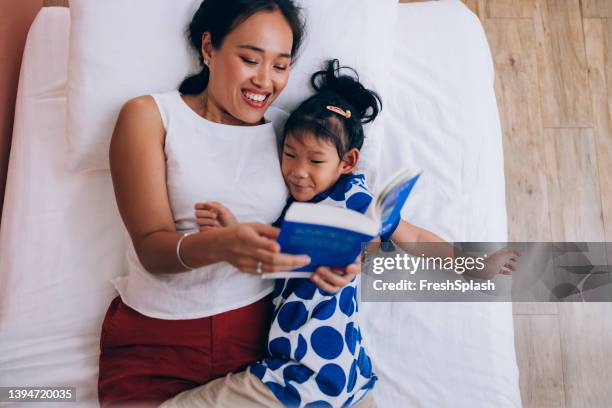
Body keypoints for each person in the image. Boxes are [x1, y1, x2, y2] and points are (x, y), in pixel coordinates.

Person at [161, 60, 520, 408]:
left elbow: (416, 239)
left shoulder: (358, 199)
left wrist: (474, 265)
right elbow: (269, 252)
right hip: (346, 379)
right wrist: (232, 231)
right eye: (290, 154)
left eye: (315, 161)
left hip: (303, 375)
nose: (298, 172)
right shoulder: (289, 207)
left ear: (347, 162)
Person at [98, 1, 360, 406]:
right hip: (157, 345)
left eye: (280, 65)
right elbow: (151, 247)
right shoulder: (150, 116)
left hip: (260, 350)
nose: (265, 81)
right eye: (250, 59)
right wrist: (221, 246)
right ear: (209, 48)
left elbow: (335, 211)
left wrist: (341, 256)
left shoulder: (291, 134)